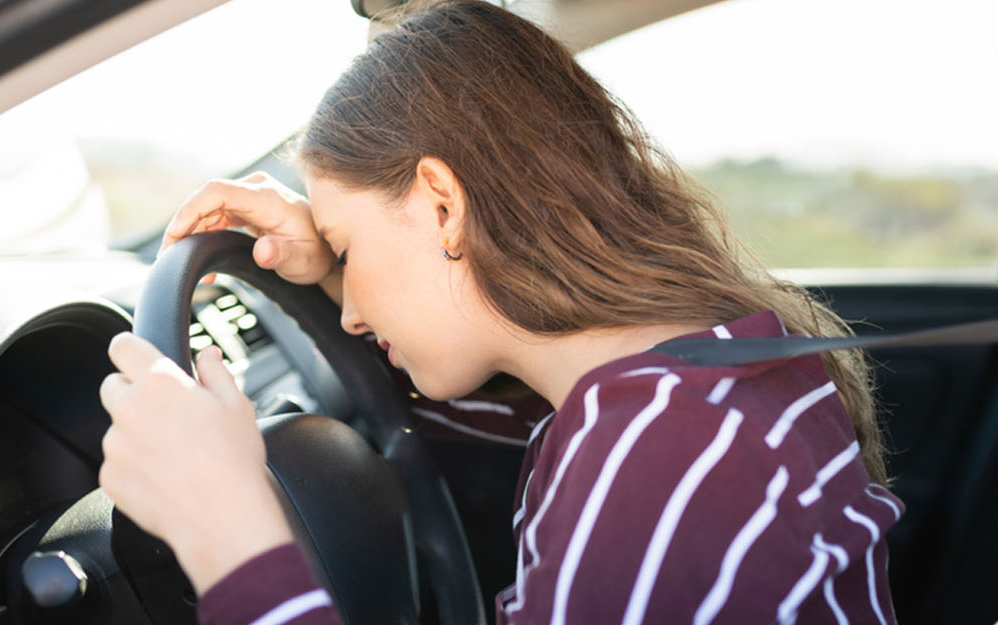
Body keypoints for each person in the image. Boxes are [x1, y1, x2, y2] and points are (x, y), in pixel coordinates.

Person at [96, 1, 903, 624]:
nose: (348, 314)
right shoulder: (717, 375)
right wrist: (329, 272)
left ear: (444, 206)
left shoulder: (669, 448)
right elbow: (449, 406)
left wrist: (226, 526)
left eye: (349, 248)